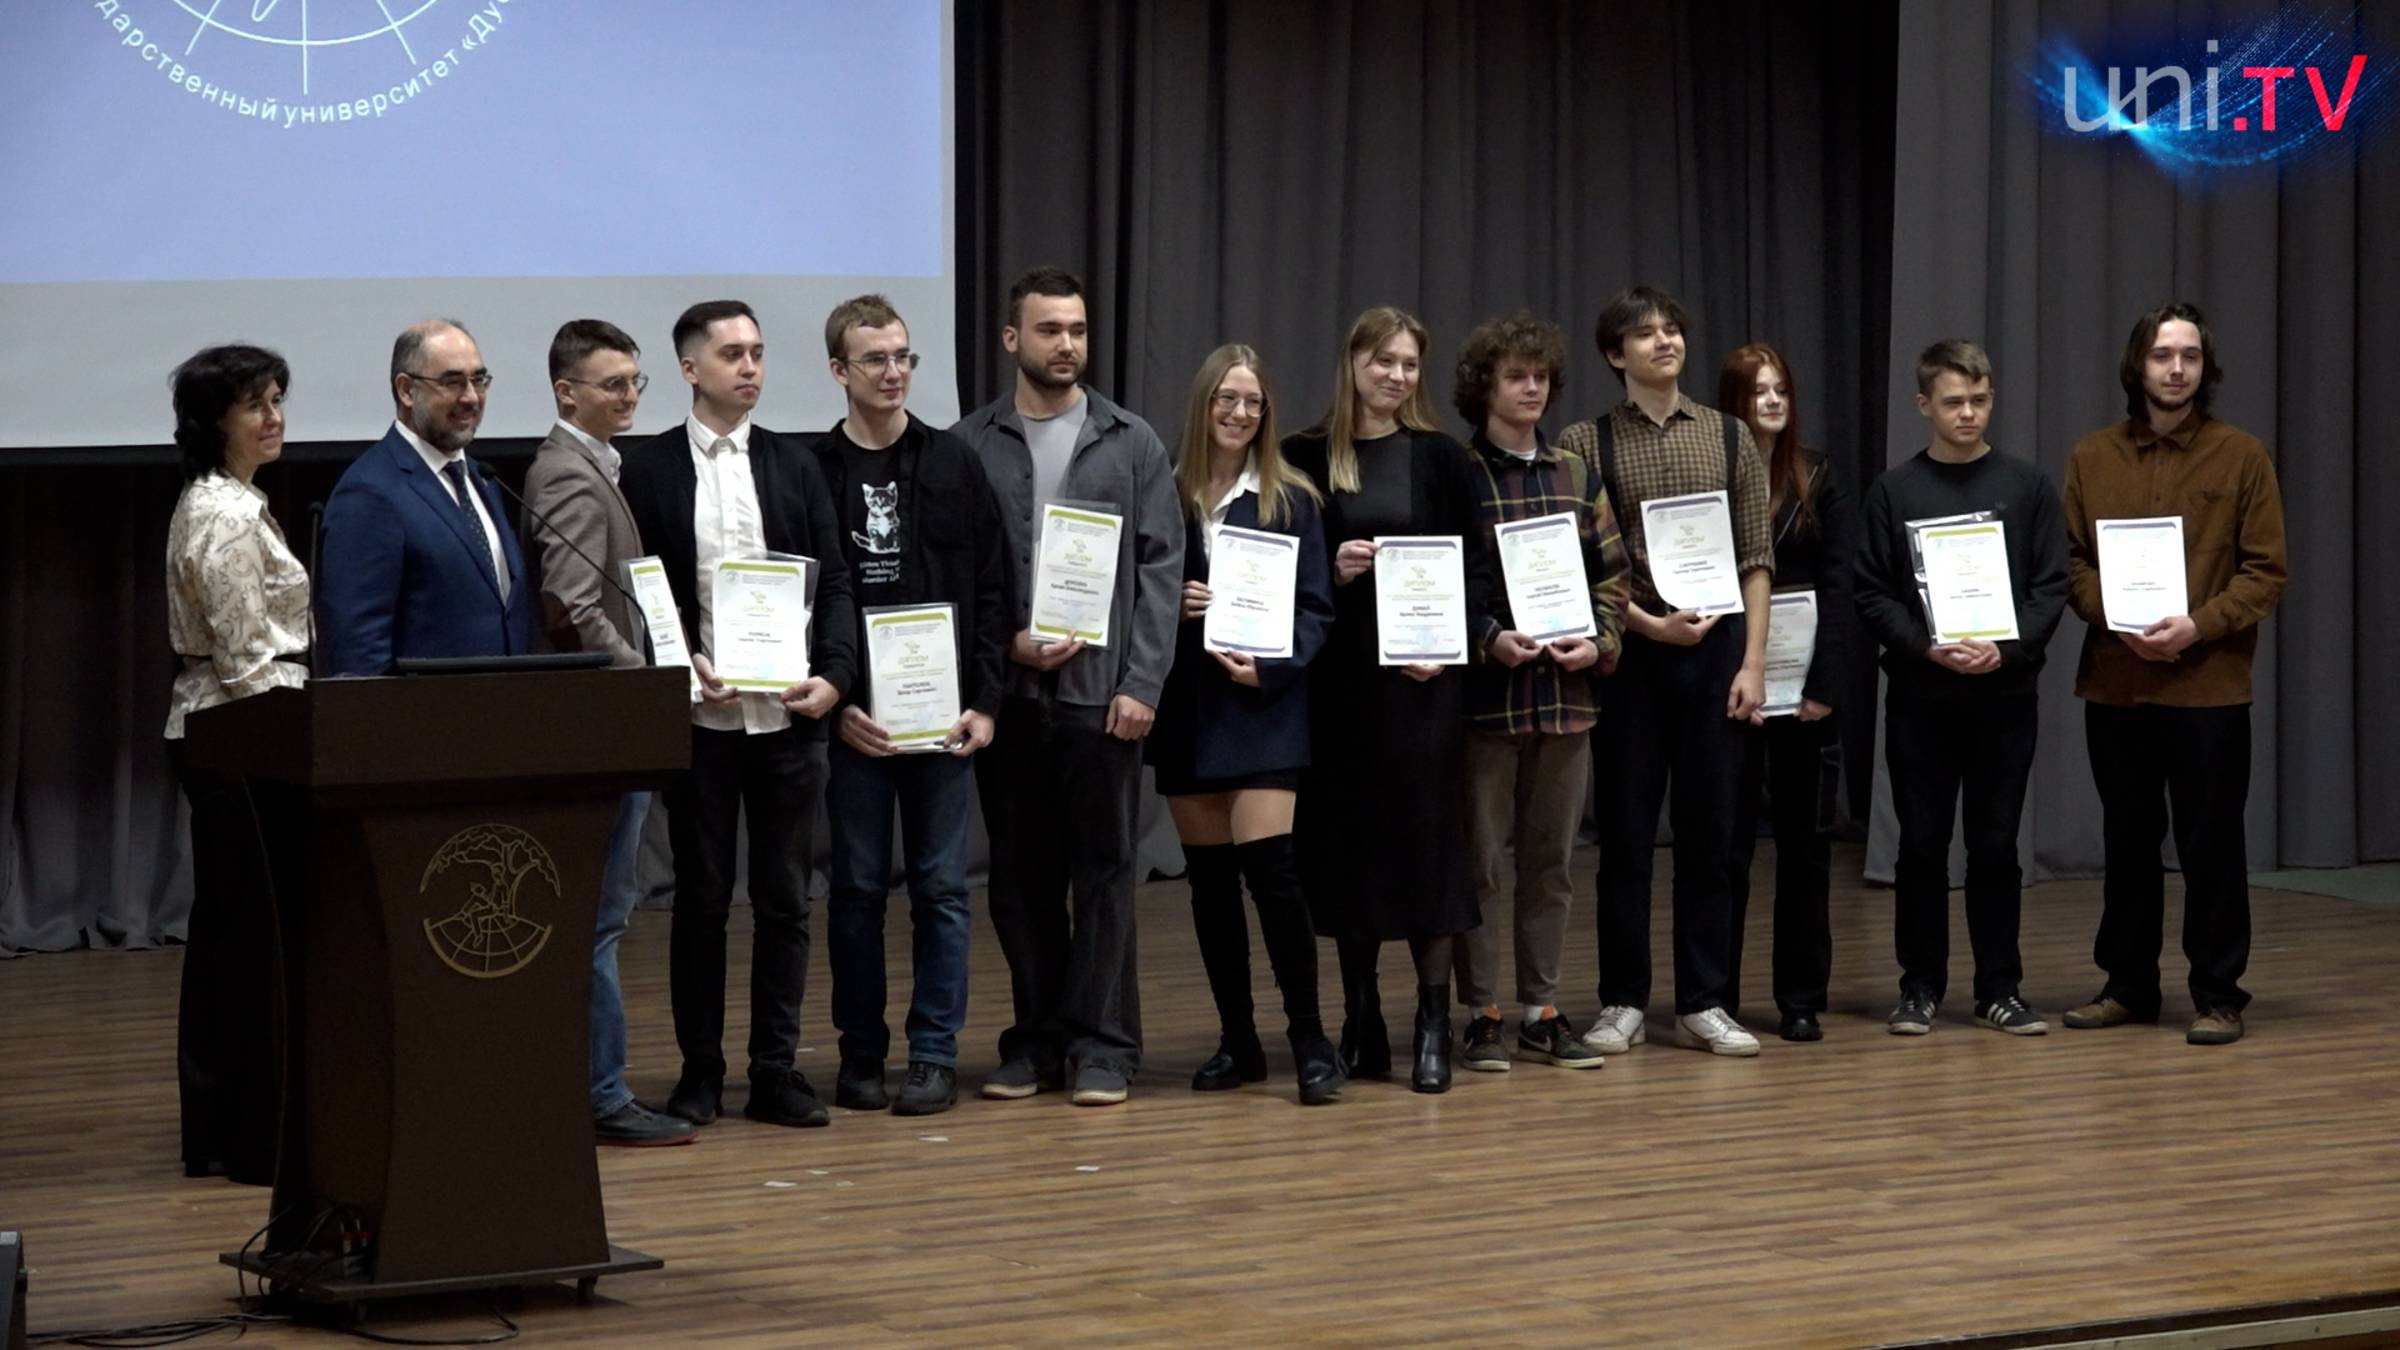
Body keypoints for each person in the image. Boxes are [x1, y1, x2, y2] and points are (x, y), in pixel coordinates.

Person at [619, 300, 857, 1128]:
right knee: (703, 899)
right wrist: (680, 663)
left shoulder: (795, 463)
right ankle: (701, 1071)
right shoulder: (648, 468)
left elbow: (835, 581)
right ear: (690, 370)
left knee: (787, 900)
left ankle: (775, 1071)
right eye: (731, 354)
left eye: (757, 351)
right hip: (702, 723)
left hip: (789, 720)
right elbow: (641, 591)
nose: (750, 366)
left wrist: (834, 677)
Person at [952, 267, 1182, 1108]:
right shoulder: (970, 443)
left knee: (1105, 876)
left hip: (1102, 698)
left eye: (1077, 330)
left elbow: (1161, 568)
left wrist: (1142, 681)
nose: (1067, 345)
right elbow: (961, 576)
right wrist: (1004, 647)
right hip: (1010, 700)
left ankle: (1105, 1046)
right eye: (1050, 330)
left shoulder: (1132, 440)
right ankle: (1037, 1041)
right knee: (1021, 882)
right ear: (1013, 338)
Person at [2060, 303, 2287, 1046]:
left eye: (2189, 356)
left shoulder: (2242, 455)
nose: (2177, 369)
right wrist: (2117, 617)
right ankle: (2128, 987)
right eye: (2163, 355)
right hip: (2117, 683)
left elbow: (2265, 572)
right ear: (2139, 365)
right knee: (2127, 842)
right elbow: (2071, 563)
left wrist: (2198, 625)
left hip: (2208, 685)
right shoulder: (2092, 457)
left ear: (2204, 368)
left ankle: (2219, 993)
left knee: (2211, 844)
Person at [1558, 286, 1772, 1058]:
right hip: (1633, 653)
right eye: (1645, 333)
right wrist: (1649, 626)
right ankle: (1622, 999)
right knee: (1624, 836)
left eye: (1672, 329)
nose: (1665, 341)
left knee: (1711, 835)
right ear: (1615, 354)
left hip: (1718, 652)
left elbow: (1756, 555)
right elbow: (1581, 561)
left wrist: (1753, 663)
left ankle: (1704, 1001)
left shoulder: (1729, 434)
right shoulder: (1585, 440)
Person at [813, 295, 1010, 1117]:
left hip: (944, 719)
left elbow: (994, 588)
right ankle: (861, 1053)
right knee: (857, 889)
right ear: (839, 370)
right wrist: (836, 706)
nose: (893, 372)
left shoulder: (954, 461)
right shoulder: (813, 470)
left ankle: (933, 1056)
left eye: (903, 357)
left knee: (942, 891)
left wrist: (987, 703)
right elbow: (805, 601)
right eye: (875, 359)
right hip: (855, 724)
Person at [1285, 306, 1491, 1094]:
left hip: (1422, 687)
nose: (1397, 376)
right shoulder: (1303, 455)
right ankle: (1361, 1019)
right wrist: (1327, 565)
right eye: (1384, 362)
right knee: (1351, 854)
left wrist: (1450, 645)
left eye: (1409, 364)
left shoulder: (1442, 457)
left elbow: (1474, 569)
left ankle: (1431, 1023)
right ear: (1353, 362)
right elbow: (1278, 568)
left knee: (1426, 852)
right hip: (1341, 690)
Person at [1855, 340, 2067, 1038]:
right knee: (1921, 845)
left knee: (1996, 846)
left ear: (1991, 398)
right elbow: (1872, 592)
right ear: (1924, 404)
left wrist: (2004, 649)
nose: (1968, 413)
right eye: (1953, 402)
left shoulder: (2028, 487)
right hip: (1922, 698)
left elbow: (2050, 587)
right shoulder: (1894, 491)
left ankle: (1999, 988)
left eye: (1979, 400)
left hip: (2003, 699)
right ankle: (1919, 986)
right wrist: (1927, 646)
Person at [1147, 344, 1342, 1105]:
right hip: (1188, 708)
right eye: (1226, 399)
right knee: (1210, 888)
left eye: (1252, 402)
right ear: (1203, 405)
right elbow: (1133, 591)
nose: (1238, 413)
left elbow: (1317, 608)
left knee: (1275, 878)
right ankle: (1239, 1041)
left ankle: (1310, 1040)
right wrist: (1171, 606)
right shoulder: (1164, 490)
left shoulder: (1292, 498)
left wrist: (1273, 666)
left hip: (1262, 706)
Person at [521, 319, 694, 1147]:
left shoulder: (597, 465)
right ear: (567, 393)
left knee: (602, 918)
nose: (629, 396)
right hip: (599, 729)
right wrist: (646, 683)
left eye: (635, 382)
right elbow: (573, 609)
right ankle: (601, 1094)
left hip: (609, 721)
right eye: (612, 384)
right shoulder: (568, 473)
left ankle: (592, 1087)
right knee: (599, 920)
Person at [1451, 313, 1626, 1074]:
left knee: (1551, 865)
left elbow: (1613, 577)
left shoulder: (1576, 474)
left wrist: (1601, 641)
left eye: (1541, 377)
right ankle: (1480, 1012)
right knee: (1480, 865)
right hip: (1487, 704)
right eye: (1515, 376)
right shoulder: (1457, 474)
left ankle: (1541, 1010)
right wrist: (1487, 635)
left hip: (1566, 701)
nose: (1531, 389)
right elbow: (1441, 580)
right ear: (1483, 386)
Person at [163, 344, 307, 1184]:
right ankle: (253, 1135)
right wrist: (288, 750)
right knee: (252, 941)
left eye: (278, 399)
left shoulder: (230, 501)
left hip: (230, 736)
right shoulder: (225, 515)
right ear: (214, 421)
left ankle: (224, 1130)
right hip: (243, 738)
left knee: (232, 936)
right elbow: (246, 660)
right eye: (255, 404)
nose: (274, 417)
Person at [1716, 343, 1860, 1043]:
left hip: (1804, 692)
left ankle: (1800, 996)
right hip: (1735, 687)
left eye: (1781, 390)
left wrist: (1826, 686)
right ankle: (1715, 995)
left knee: (1805, 850)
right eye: (1757, 391)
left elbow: (1841, 585)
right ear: (1733, 403)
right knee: (1726, 847)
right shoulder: (1715, 476)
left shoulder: (1820, 474)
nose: (1772, 401)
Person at [319, 319, 532, 675]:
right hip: (423, 709)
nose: (471, 397)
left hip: (506, 703)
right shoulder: (370, 492)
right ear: (406, 390)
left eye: (479, 380)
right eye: (452, 382)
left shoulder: (481, 479)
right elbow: (358, 650)